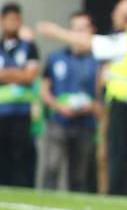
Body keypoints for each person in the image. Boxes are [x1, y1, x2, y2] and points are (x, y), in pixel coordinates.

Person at [37, 0, 127, 198]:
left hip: (121, 108)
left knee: (117, 157)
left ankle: (116, 197)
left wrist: (56, 32)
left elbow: (89, 42)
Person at [37, 12, 100, 192]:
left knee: (79, 176)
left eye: (82, 29)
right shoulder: (56, 58)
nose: (77, 33)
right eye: (74, 29)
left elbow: (102, 95)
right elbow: (44, 89)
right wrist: (58, 106)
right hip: (58, 122)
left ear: (92, 30)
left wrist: (93, 106)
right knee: (51, 167)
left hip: (85, 124)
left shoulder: (99, 60)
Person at [0, 2, 40, 187]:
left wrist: (5, 73)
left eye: (18, 20)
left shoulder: (29, 47)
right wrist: (18, 73)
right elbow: (23, 74)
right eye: (11, 19)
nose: (15, 23)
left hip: (21, 112)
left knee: (21, 156)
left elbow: (30, 75)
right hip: (2, 111)